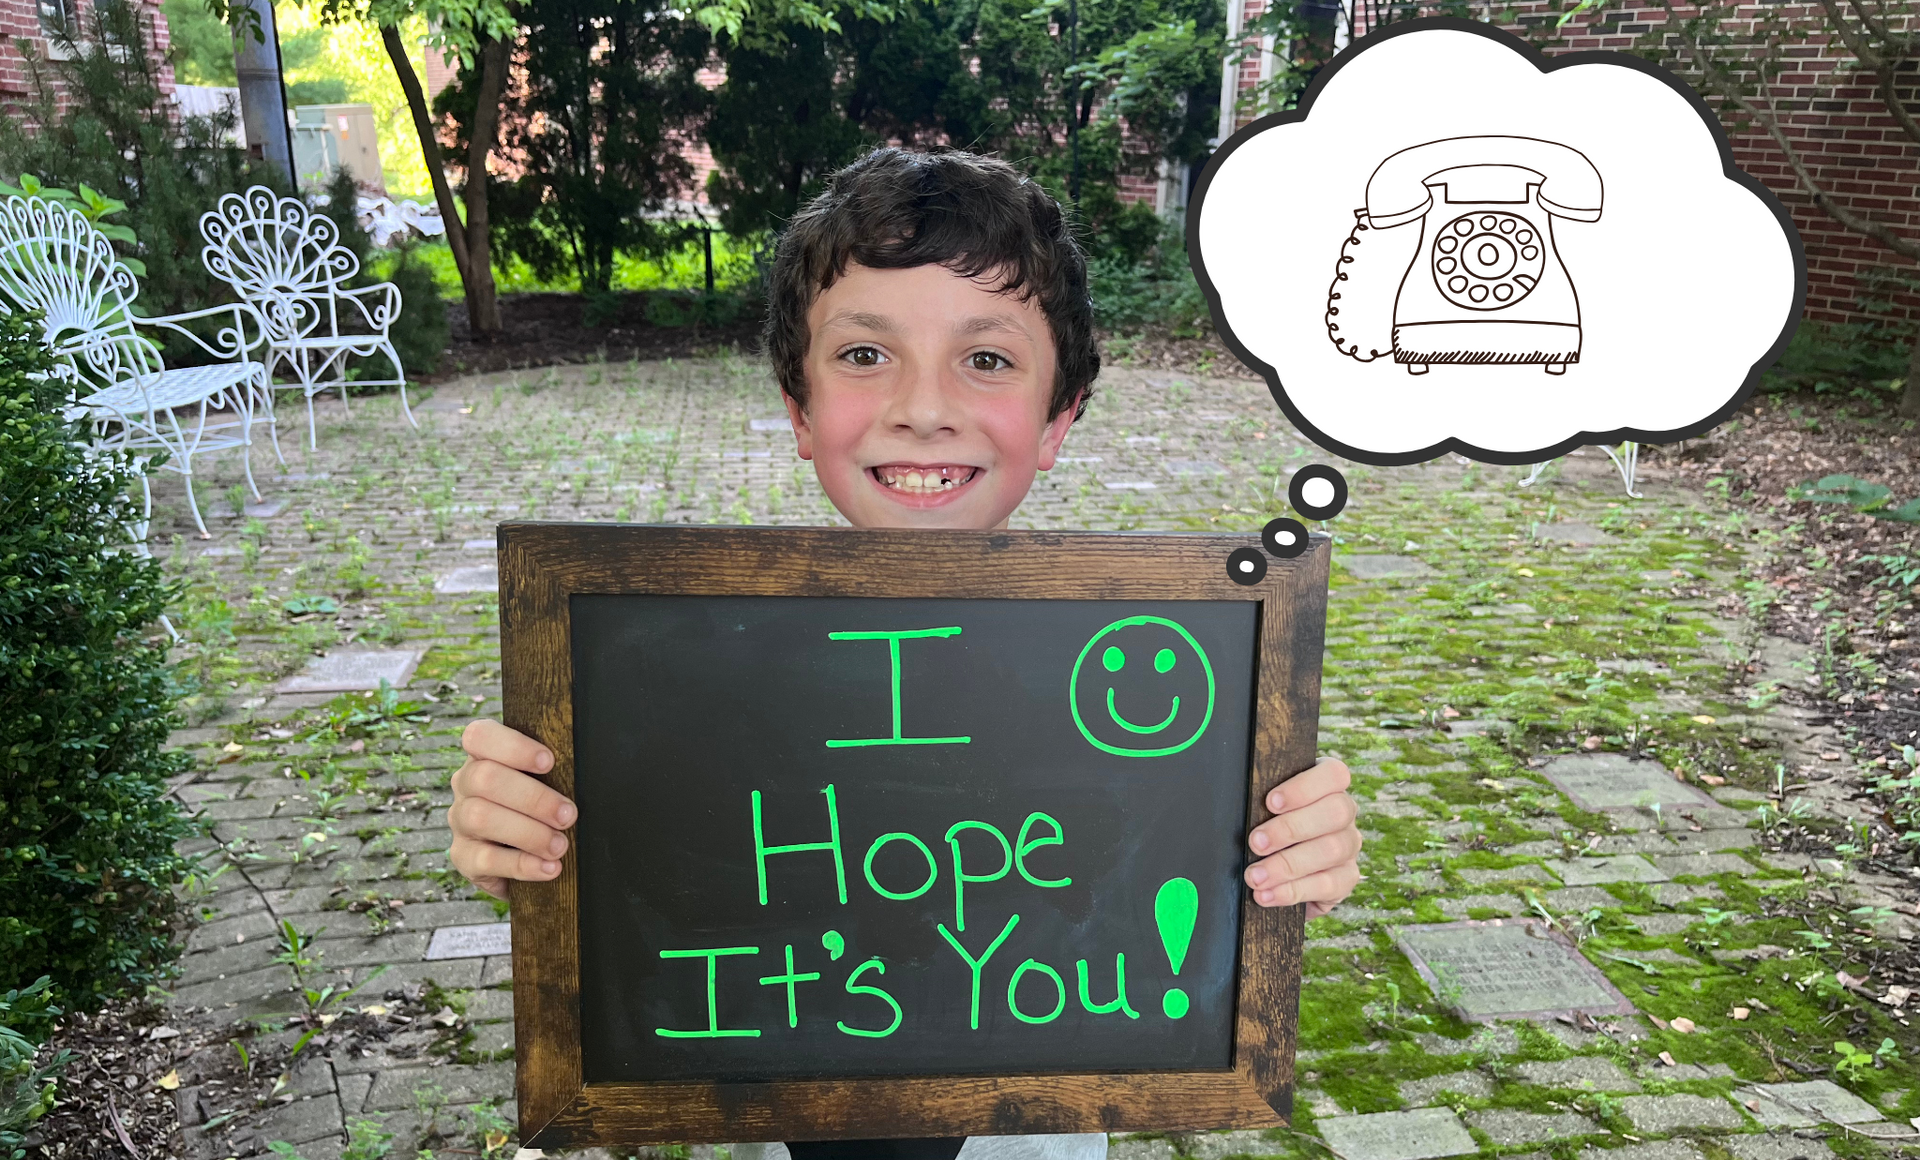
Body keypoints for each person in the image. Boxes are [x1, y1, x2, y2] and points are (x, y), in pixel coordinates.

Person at [447, 148, 1362, 1160]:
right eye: (865, 354)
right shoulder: (682, 668)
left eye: (988, 358)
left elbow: (1212, 865)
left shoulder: (1161, 663)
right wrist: (537, 846)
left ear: (1058, 418)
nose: (923, 407)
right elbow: (629, 871)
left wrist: (1285, 853)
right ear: (800, 409)